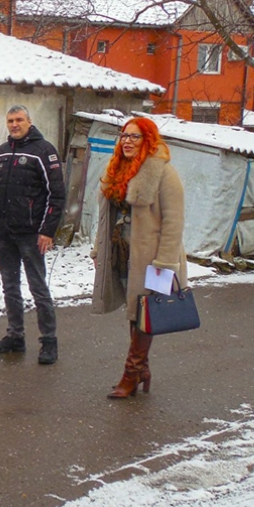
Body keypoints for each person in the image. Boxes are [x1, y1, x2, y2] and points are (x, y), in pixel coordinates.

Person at [91, 117, 188, 399]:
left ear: (148, 140)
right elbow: (105, 217)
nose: (127, 141)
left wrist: (165, 263)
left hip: (153, 259)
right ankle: (142, 369)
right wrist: (98, 249)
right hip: (123, 253)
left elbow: (174, 222)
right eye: (124, 136)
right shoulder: (116, 169)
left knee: (147, 314)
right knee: (135, 313)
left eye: (135, 137)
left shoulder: (164, 173)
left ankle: (131, 374)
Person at [0, 105, 66, 365]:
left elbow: (56, 195)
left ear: (29, 122)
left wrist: (47, 231)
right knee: (10, 287)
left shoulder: (44, 151)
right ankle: (15, 336)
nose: (14, 124)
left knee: (38, 288)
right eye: (10, 120)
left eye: (19, 119)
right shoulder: (1, 152)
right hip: (4, 233)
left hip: (31, 234)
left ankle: (49, 342)